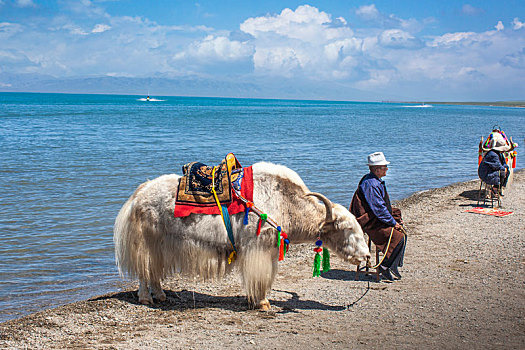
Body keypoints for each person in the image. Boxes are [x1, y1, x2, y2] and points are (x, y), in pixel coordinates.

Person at [349, 152, 407, 281]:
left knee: (401, 232)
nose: (387, 169)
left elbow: (380, 207)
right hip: (368, 220)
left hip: (374, 216)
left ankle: (392, 265)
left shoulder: (373, 180)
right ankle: (385, 266)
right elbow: (379, 209)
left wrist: (394, 220)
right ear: (376, 169)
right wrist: (392, 223)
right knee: (399, 237)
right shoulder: (371, 184)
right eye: (384, 167)